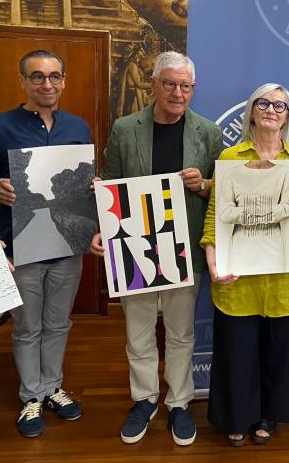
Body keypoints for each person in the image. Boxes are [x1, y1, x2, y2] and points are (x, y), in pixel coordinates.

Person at [90, 51, 222, 446]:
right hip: (134, 246)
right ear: (153, 84)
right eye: (169, 83)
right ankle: (144, 399)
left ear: (193, 90)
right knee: (139, 332)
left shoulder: (208, 132)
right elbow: (108, 182)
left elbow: (223, 189)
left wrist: (204, 184)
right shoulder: (125, 128)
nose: (177, 92)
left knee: (181, 333)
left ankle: (179, 402)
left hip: (184, 249)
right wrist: (103, 229)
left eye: (185, 86)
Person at [0, 49, 92, 438]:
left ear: (63, 80)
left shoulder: (78, 126)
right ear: (23, 81)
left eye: (55, 76)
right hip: (20, 242)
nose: (48, 84)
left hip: (66, 242)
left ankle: (52, 387)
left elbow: (84, 183)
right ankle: (31, 396)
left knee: (58, 322)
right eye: (38, 76)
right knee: (27, 326)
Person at [200, 83, 289, 447]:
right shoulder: (230, 158)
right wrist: (213, 262)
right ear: (251, 111)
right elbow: (217, 213)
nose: (271, 110)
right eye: (263, 103)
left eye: (279, 106)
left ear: (287, 116)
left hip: (281, 276)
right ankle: (237, 416)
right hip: (238, 274)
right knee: (238, 350)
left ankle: (267, 416)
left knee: (277, 351)